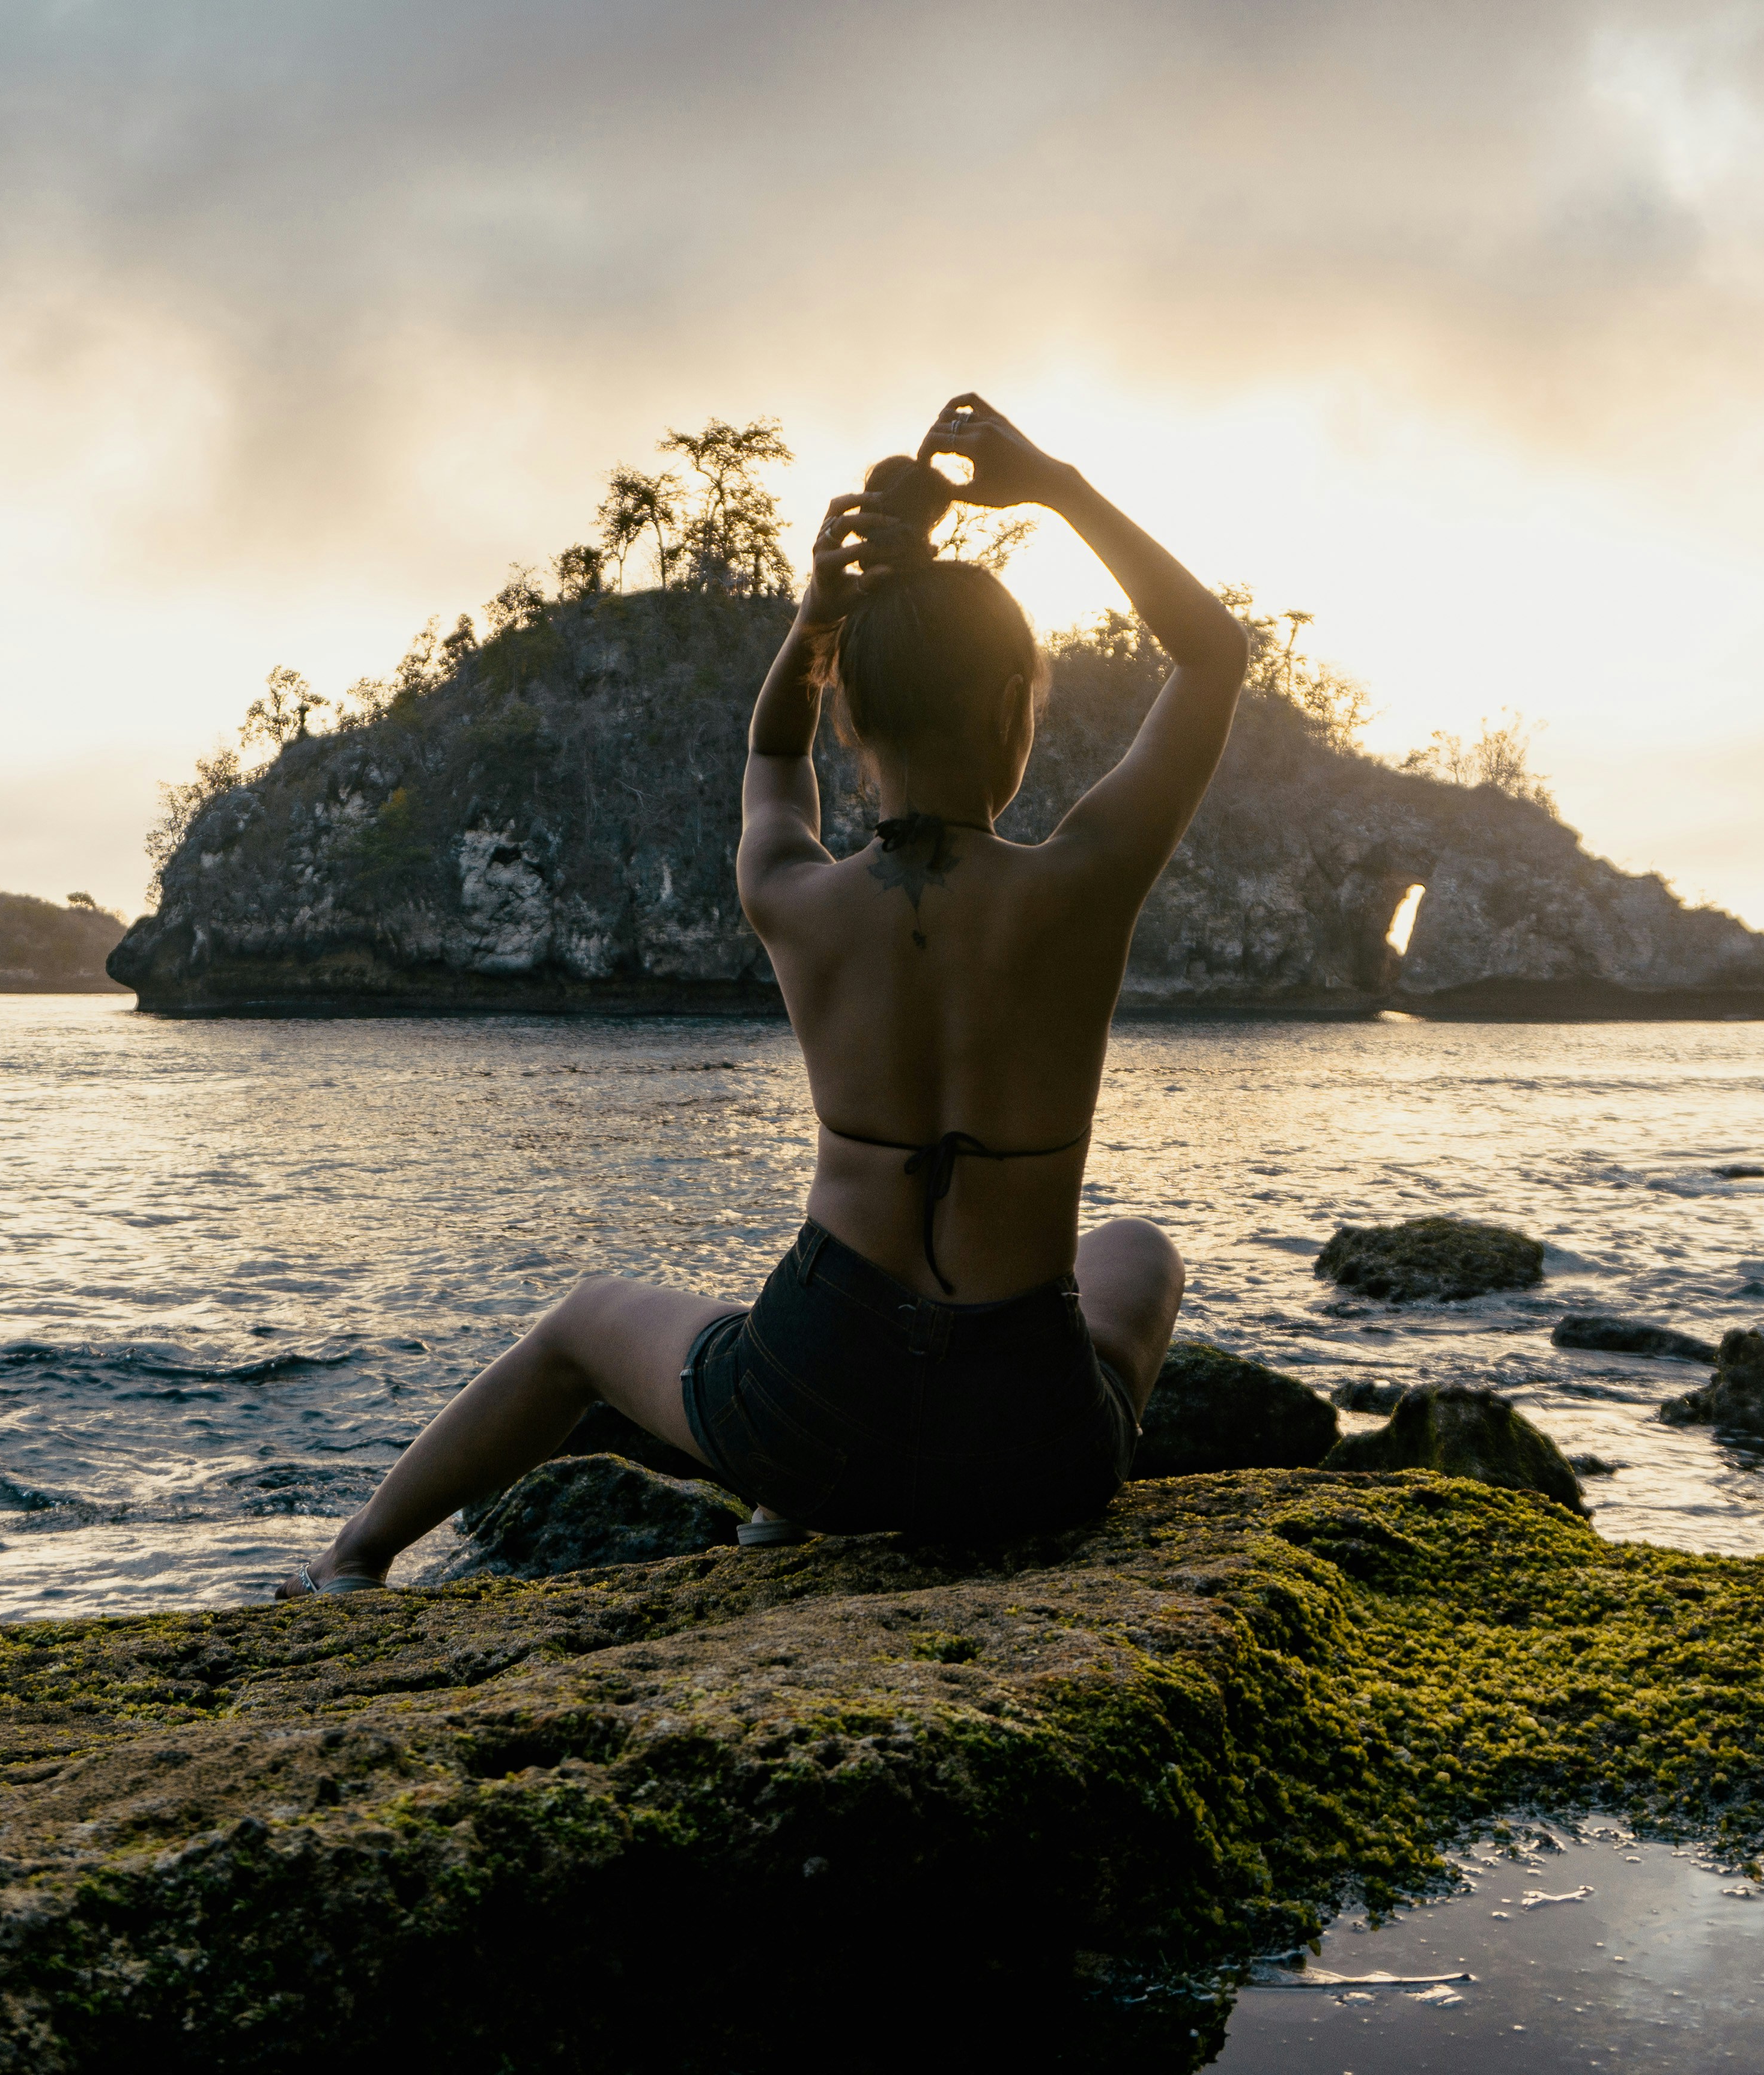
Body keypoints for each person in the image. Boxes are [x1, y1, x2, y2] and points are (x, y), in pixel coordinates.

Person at [280, 393, 1246, 1593]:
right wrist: (1053, 483)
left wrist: (815, 616)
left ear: (853, 722)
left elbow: (771, 762)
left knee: (584, 1322)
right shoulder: (1086, 881)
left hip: (809, 1414)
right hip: (1032, 1451)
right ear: (1013, 712)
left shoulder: (795, 891)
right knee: (1137, 1251)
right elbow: (1214, 650)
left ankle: (353, 1556)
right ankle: (919, 1471)